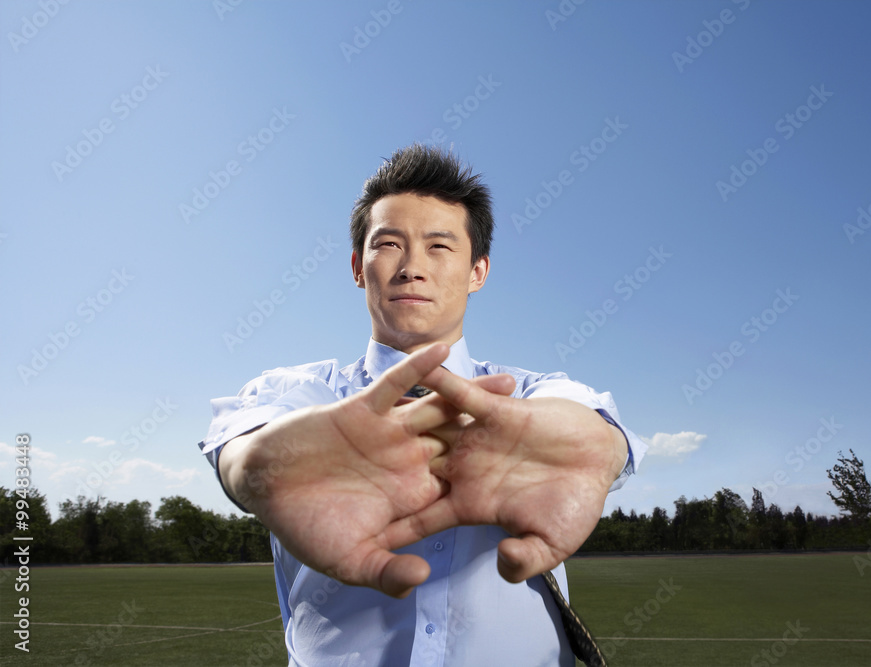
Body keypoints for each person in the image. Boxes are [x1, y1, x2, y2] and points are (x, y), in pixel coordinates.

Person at [198, 144, 647, 666]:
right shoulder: (301, 394)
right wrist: (256, 467)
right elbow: (245, 443)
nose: (412, 267)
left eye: (439, 246)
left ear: (478, 272)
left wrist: (598, 446)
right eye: (389, 243)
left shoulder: (529, 395)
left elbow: (590, 426)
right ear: (357, 267)